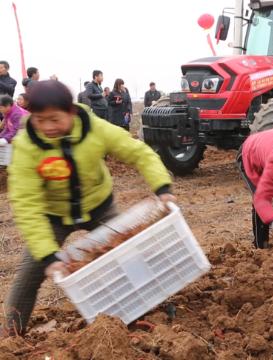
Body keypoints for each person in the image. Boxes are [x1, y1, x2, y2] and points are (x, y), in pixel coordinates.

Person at [0, 80, 174, 337]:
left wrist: (162, 188)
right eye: (40, 119)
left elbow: (139, 153)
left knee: (129, 255)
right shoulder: (26, 146)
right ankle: (10, 336)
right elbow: (26, 203)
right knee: (30, 273)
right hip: (53, 216)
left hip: (99, 206)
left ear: (70, 112)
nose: (48, 127)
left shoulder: (94, 129)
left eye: (54, 119)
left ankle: (154, 309)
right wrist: (48, 255)